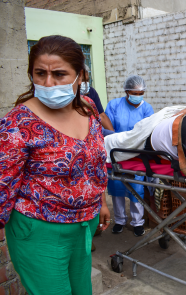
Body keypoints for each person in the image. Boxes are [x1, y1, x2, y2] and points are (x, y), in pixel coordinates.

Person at [0, 35, 110, 295]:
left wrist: (101, 202)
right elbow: (3, 184)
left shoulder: (87, 108)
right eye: (40, 73)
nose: (48, 83)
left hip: (84, 224)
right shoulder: (18, 123)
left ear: (80, 75)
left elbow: (96, 163)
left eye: (59, 74)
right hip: (39, 229)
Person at [105, 75, 154, 237]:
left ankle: (137, 222)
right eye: (134, 93)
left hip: (136, 154)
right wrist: (118, 140)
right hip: (117, 152)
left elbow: (148, 131)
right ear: (126, 91)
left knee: (136, 188)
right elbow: (106, 128)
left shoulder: (147, 109)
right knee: (117, 187)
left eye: (141, 93)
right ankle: (119, 220)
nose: (137, 96)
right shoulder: (114, 105)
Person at [80, 65, 114, 134]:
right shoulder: (69, 97)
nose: (85, 84)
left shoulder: (91, 92)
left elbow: (101, 115)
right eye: (83, 81)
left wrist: (114, 137)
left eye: (87, 80)